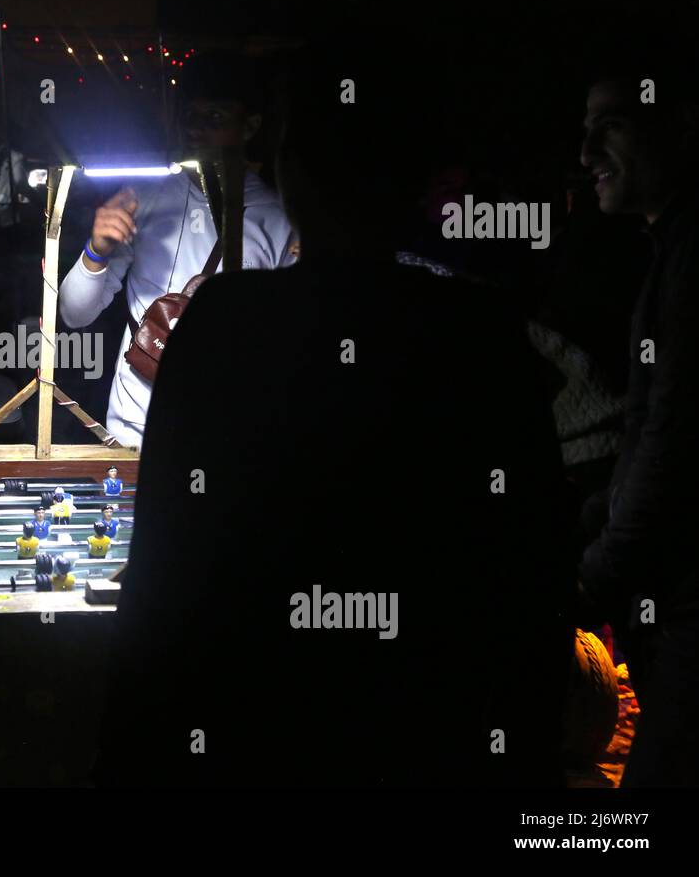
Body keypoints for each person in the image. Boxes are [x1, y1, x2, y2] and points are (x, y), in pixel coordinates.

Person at [97, 38, 574, 787]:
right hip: (428, 723)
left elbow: (165, 552)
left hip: (257, 716)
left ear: (288, 173)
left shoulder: (225, 321)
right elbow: (536, 562)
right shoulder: (479, 332)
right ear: (418, 184)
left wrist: (132, 738)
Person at [58, 51, 296, 449]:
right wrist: (96, 251)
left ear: (250, 125)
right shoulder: (143, 198)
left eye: (215, 117)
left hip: (229, 436)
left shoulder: (279, 219)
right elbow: (73, 313)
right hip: (134, 434)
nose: (198, 129)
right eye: (191, 116)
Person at [575, 54, 699, 786]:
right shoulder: (670, 250)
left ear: (683, 125)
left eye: (611, 127)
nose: (587, 153)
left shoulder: (691, 256)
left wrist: (595, 573)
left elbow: (674, 436)